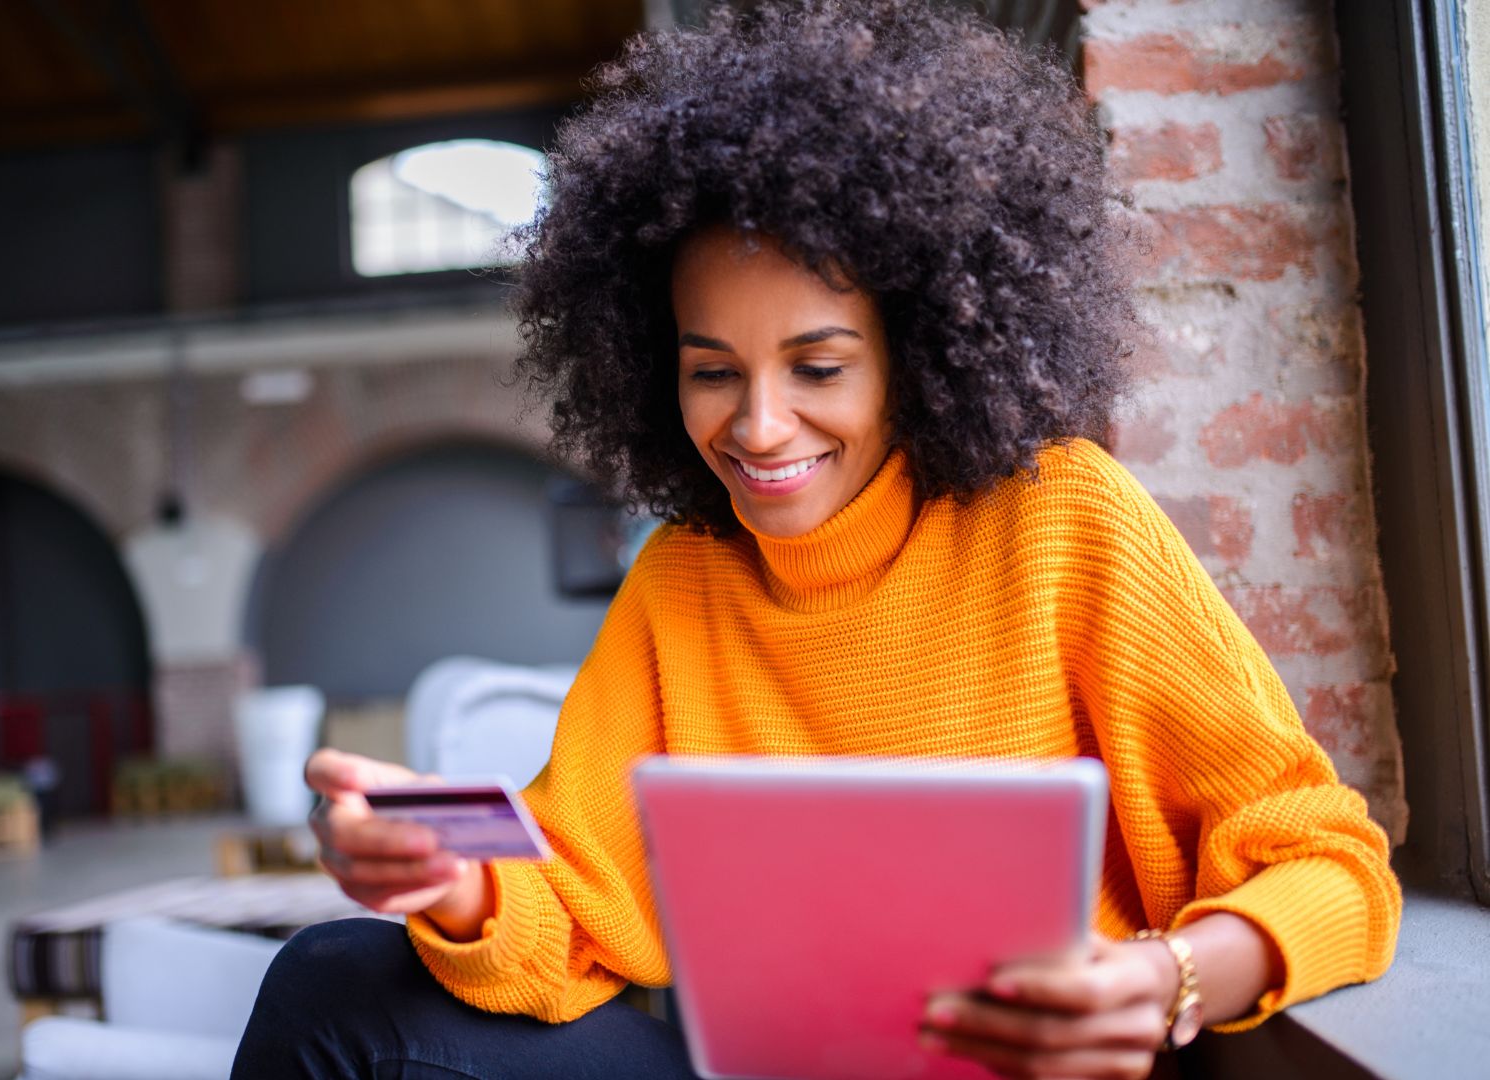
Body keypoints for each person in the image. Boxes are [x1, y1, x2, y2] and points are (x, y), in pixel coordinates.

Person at [232, 3, 1401, 1078]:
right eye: (710, 372)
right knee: (329, 983)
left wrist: (1168, 979)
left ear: (921, 349)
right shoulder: (682, 583)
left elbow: (1335, 868)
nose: (757, 425)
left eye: (819, 366)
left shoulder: (1061, 521)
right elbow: (570, 913)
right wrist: (455, 877)